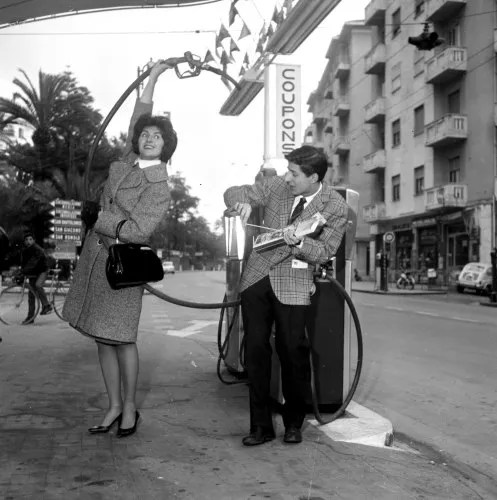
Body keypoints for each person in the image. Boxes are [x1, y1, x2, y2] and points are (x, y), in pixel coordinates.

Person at [62, 60, 176, 438]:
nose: (148, 138)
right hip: (97, 261)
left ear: (166, 146)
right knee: (102, 337)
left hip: (124, 268)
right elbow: (138, 115)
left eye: (157, 136)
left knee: (122, 338)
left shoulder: (159, 186)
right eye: (145, 134)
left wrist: (100, 218)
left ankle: (129, 408)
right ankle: (112, 405)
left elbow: (140, 231)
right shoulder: (126, 163)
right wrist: (153, 77)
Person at [224, 145, 349, 446]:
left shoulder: (335, 206)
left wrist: (300, 244)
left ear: (313, 177)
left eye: (294, 173)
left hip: (293, 280)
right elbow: (232, 192)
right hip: (257, 277)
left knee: (293, 352)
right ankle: (260, 427)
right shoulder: (277, 185)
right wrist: (240, 203)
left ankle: (294, 423)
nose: (287, 178)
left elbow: (325, 251)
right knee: (255, 351)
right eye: (287, 171)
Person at [20, 231, 53, 324]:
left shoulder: (37, 249)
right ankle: (30, 318)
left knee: (38, 285)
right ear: (24, 241)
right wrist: (21, 272)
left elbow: (32, 263)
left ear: (34, 240)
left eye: (30, 239)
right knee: (31, 296)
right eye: (26, 240)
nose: (28, 241)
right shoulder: (25, 250)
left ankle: (46, 305)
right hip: (33, 273)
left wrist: (23, 272)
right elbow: (24, 264)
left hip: (43, 271)